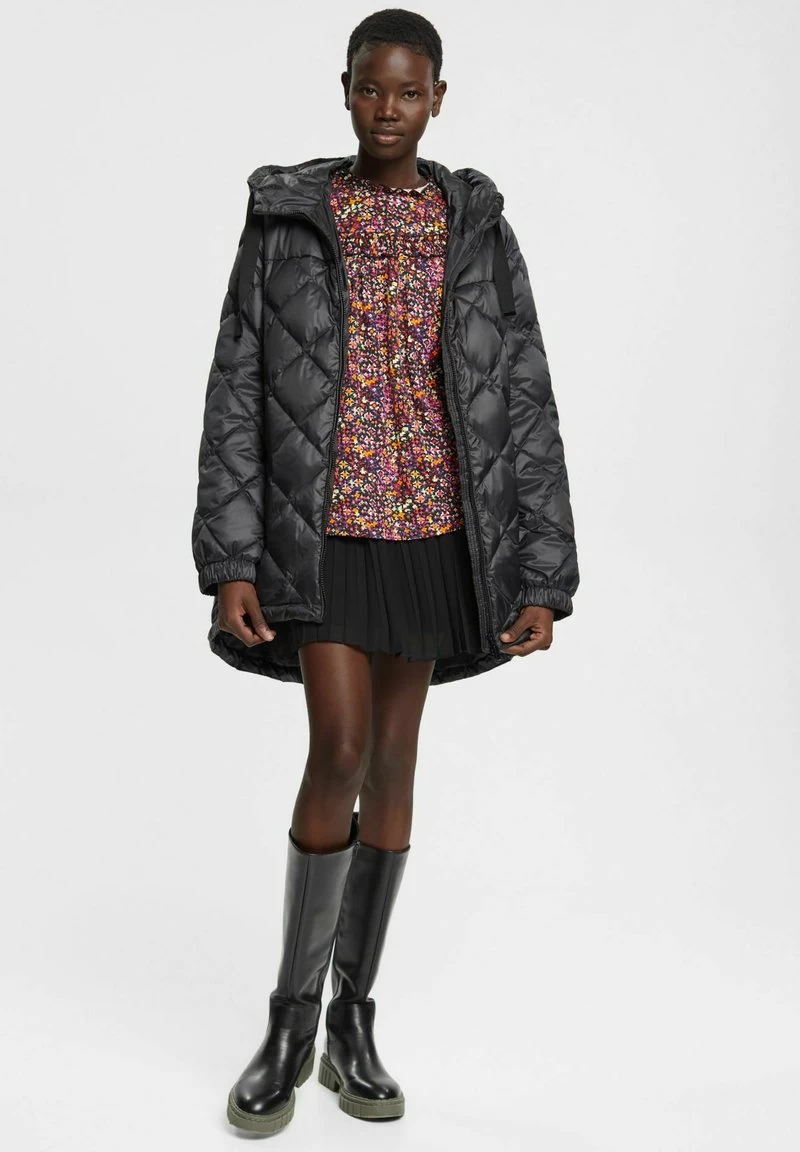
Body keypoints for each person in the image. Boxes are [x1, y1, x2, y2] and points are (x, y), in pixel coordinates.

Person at [191, 7, 580, 1134]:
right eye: (370, 87)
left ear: (438, 99)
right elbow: (235, 389)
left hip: (435, 527)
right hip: (320, 529)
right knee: (340, 749)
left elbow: (522, 394)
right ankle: (288, 1021)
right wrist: (230, 557)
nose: (387, 109)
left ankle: (351, 1022)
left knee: (396, 762)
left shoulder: (476, 230)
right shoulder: (287, 221)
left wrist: (541, 571)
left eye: (408, 92)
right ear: (346, 88)